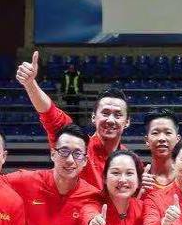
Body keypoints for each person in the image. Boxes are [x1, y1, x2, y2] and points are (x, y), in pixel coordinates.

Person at [16, 50, 129, 191]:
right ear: (93, 117)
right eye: (105, 113)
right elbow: (50, 113)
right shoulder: (76, 147)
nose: (110, 120)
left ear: (127, 121)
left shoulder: (130, 160)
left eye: (118, 115)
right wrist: (30, 84)